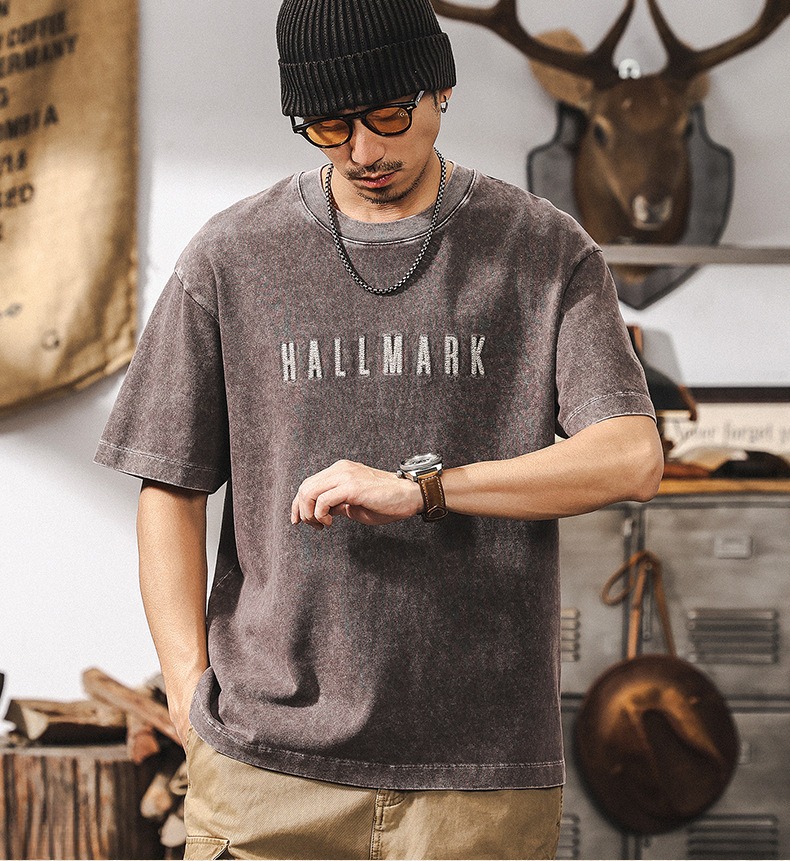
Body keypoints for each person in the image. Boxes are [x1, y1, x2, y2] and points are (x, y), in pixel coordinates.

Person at [95, 0, 664, 857]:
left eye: (388, 116)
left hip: (479, 775)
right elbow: (169, 484)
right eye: (330, 126)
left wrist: (424, 490)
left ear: (441, 88)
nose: (363, 151)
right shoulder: (229, 257)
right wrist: (186, 697)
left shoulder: (544, 250)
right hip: (266, 773)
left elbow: (631, 457)